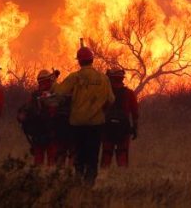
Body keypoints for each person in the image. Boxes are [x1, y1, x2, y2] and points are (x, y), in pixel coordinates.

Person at [54, 45, 114, 186]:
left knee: (79, 153)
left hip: (77, 124)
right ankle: (90, 182)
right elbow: (111, 100)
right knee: (93, 154)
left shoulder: (75, 77)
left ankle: (78, 178)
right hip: (96, 123)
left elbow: (59, 92)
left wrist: (54, 81)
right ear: (92, 60)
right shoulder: (104, 79)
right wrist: (101, 110)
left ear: (79, 62)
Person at [18, 69, 64, 166]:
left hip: (39, 134)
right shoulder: (53, 94)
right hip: (49, 133)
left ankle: (38, 177)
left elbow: (25, 111)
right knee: (51, 160)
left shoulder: (35, 95)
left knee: (39, 161)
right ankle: (48, 177)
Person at [101, 68, 139, 168]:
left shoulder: (105, 93)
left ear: (110, 79)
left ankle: (103, 176)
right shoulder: (129, 93)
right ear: (122, 79)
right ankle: (122, 177)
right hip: (123, 128)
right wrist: (135, 128)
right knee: (122, 152)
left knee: (107, 153)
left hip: (107, 127)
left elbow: (100, 109)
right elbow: (135, 112)